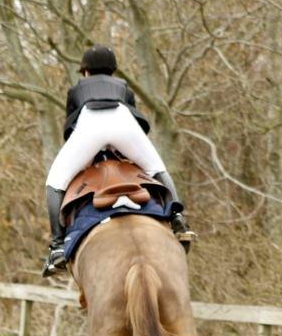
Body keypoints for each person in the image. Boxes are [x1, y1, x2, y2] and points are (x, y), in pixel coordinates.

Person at [42, 45, 191, 277]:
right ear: (112, 70)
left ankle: (57, 245)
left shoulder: (76, 90)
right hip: (124, 125)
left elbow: (70, 130)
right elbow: (139, 123)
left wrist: (93, 150)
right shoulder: (123, 88)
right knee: (157, 167)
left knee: (55, 182)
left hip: (90, 127)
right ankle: (177, 217)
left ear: (86, 72)